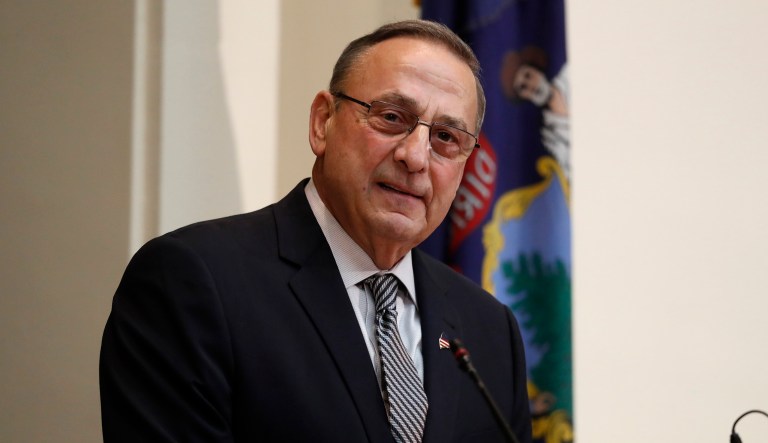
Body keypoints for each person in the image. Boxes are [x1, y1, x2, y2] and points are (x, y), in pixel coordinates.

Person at [100, 19, 532, 443]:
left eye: (445, 137)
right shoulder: (191, 281)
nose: (416, 157)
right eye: (391, 116)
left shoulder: (489, 330)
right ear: (323, 121)